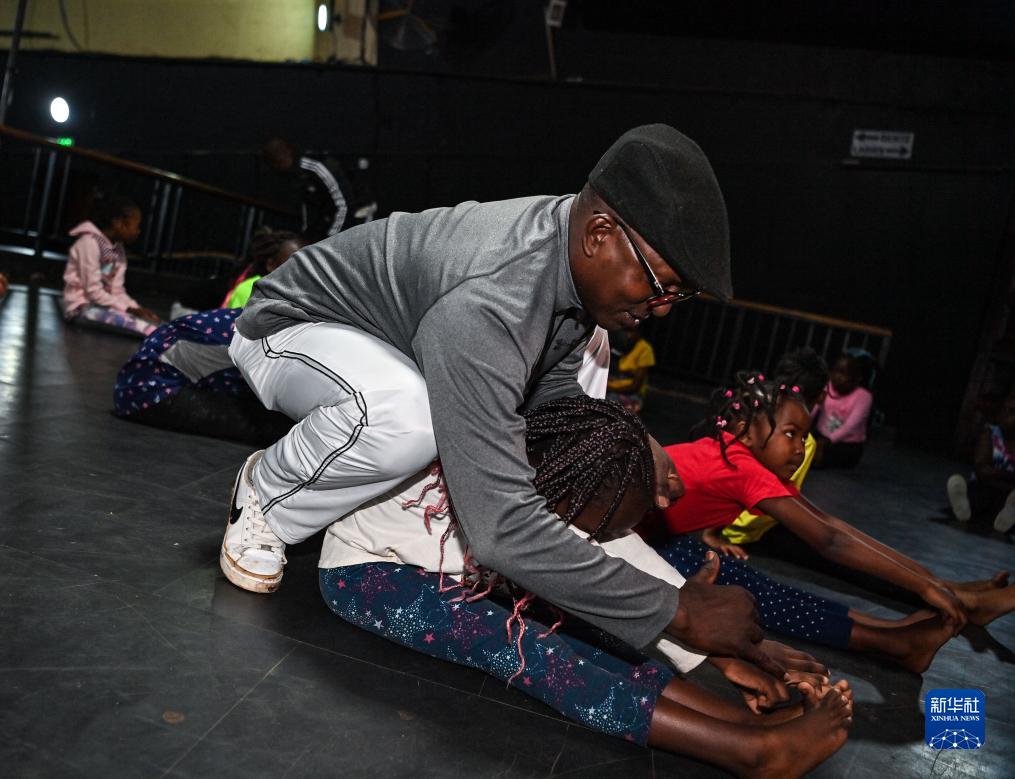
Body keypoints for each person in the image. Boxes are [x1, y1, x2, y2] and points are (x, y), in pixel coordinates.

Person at [222, 124, 788, 677]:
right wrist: (678, 613)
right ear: (600, 234)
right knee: (408, 417)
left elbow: (553, 404)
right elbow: (500, 528)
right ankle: (268, 498)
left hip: (393, 346)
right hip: (289, 329)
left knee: (550, 400)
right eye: (660, 286)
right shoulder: (495, 298)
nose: (662, 309)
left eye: (679, 296)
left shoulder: (569, 260)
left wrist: (630, 441)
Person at [320, 396, 853, 777]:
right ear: (571, 501)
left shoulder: (562, 480)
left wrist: (719, 658)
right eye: (598, 526)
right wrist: (703, 643)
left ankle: (743, 724)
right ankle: (750, 753)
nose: (599, 537)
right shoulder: (505, 497)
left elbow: (622, 563)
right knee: (524, 645)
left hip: (453, 574)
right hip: (365, 572)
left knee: (592, 633)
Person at [649, 372, 1015, 672]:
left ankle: (894, 632)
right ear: (746, 430)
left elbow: (831, 525)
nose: (800, 448)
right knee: (757, 596)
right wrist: (926, 588)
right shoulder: (742, 467)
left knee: (755, 583)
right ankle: (889, 641)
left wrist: (930, 582)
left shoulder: (739, 456)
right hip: (630, 545)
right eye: (790, 434)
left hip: (657, 539)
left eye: (805, 437)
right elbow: (830, 541)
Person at [113, 309, 293, 445]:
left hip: (152, 378)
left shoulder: (267, 316)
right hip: (151, 390)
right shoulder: (266, 336)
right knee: (277, 429)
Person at [721, 348, 826, 547]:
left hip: (720, 518)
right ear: (822, 396)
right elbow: (775, 497)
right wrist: (728, 530)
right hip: (739, 529)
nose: (798, 445)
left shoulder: (751, 413)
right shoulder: (804, 442)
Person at [62, 195, 162, 337]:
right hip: (81, 308)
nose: (138, 231)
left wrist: (137, 308)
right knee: (147, 329)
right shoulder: (89, 243)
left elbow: (117, 290)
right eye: (136, 226)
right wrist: (129, 309)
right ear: (118, 223)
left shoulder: (118, 249)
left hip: (106, 307)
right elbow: (92, 291)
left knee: (155, 323)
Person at [948, 391, 1015, 532]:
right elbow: (982, 470)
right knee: (977, 495)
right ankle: (964, 508)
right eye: (1005, 411)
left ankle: (1006, 517)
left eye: (1012, 412)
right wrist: (1008, 476)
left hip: (1008, 493)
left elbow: (989, 471)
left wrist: (995, 473)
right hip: (984, 487)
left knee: (1009, 500)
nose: (1006, 416)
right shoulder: (990, 433)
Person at [263, 136, 351, 242]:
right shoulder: (293, 174)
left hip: (345, 224)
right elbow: (307, 209)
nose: (276, 167)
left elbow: (343, 205)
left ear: (287, 153)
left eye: (278, 161)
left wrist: (330, 239)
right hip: (323, 226)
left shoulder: (316, 167)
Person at [812, 352, 872, 469]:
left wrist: (825, 442)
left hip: (846, 444)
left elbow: (850, 426)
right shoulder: (827, 387)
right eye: (835, 371)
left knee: (820, 458)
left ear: (856, 378)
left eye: (844, 373)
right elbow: (813, 410)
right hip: (819, 436)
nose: (837, 377)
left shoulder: (863, 396)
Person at [222, 229, 305, 309]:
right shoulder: (250, 290)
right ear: (270, 265)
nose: (299, 270)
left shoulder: (301, 292)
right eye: (291, 264)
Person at [606, 327, 656, 413]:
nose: (626, 335)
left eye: (630, 331)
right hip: (609, 390)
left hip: (630, 394)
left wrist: (609, 389)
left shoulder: (644, 349)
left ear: (638, 333)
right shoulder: (611, 343)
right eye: (624, 331)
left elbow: (635, 386)